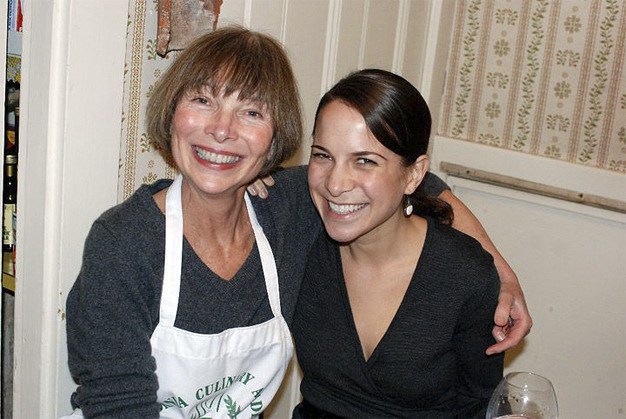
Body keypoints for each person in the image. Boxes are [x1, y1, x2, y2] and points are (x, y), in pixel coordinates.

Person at [65, 27, 528, 418]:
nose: (222, 130)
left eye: (250, 111)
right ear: (171, 112)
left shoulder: (289, 208)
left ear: (275, 139)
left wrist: (499, 272)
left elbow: (415, 186)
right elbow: (116, 405)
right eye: (203, 100)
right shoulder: (123, 245)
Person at [290, 69, 504, 418]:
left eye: (365, 161)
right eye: (322, 155)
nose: (335, 184)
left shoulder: (466, 275)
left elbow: (480, 405)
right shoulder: (300, 236)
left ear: (415, 174)